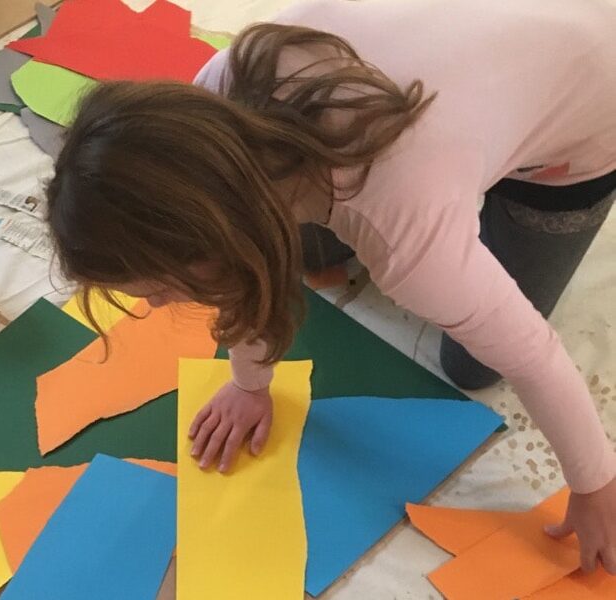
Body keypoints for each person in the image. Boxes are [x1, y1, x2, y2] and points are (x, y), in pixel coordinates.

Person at [45, 0, 616, 572]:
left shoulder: (406, 240)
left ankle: (488, 183)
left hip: (586, 113)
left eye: (161, 287)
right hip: (472, 69)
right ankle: (466, 171)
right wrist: (249, 384)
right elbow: (251, 263)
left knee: (474, 363)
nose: (154, 303)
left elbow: (533, 354)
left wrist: (596, 486)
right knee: (312, 245)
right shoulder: (204, 115)